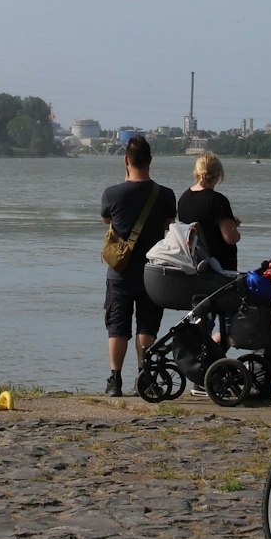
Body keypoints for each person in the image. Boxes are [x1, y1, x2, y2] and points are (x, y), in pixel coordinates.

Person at [101, 134, 175, 397]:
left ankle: (115, 381)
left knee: (117, 327)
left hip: (119, 273)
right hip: (153, 272)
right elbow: (169, 226)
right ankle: (146, 378)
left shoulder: (112, 193)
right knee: (147, 327)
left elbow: (107, 219)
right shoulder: (165, 195)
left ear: (126, 160)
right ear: (150, 161)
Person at [178, 151, 242, 274]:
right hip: (218, 270)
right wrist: (234, 229)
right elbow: (230, 238)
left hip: (193, 266)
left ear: (197, 172)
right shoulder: (218, 200)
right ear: (218, 174)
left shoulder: (184, 198)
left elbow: (201, 223)